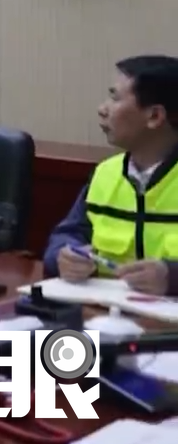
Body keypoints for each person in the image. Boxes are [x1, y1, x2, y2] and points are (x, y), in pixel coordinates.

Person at [44, 55, 178, 296]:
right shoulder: (106, 173)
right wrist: (65, 255)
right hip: (104, 310)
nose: (102, 109)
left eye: (115, 98)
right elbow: (68, 234)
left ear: (155, 116)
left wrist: (172, 277)